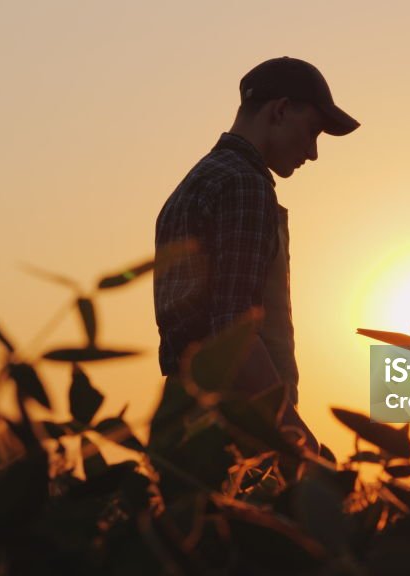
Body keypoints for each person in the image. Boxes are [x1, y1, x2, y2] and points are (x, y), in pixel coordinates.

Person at [154, 57, 359, 453]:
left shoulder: (193, 184)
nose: (314, 152)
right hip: (235, 432)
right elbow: (234, 333)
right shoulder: (245, 184)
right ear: (280, 110)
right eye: (313, 131)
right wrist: (296, 440)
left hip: (183, 423)